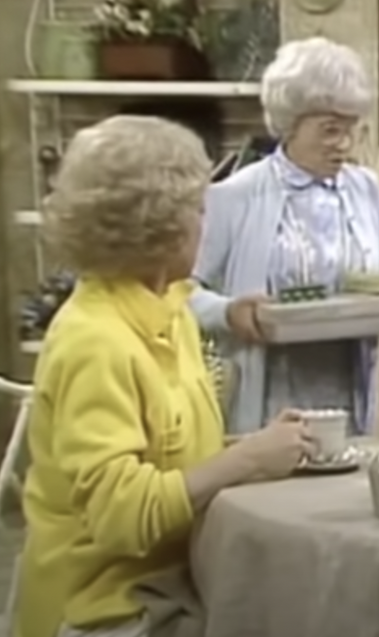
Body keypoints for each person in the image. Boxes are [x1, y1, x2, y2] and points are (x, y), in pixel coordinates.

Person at [13, 116, 315, 637]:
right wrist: (244, 458)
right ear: (157, 225)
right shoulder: (96, 341)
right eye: (198, 209)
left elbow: (170, 454)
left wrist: (262, 449)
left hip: (172, 582)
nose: (205, 224)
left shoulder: (170, 310)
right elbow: (121, 517)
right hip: (104, 609)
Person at [190, 37, 379, 435]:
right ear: (291, 124)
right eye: (329, 130)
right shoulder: (236, 195)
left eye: (351, 130)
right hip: (268, 395)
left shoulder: (365, 189)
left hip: (347, 391)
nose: (343, 144)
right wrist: (228, 313)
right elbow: (179, 294)